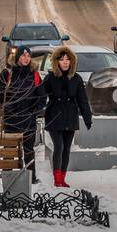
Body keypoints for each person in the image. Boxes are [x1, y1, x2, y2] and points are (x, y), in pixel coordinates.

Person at [0, 45, 45, 183]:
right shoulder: (7, 73)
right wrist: (8, 108)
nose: (26, 58)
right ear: (17, 57)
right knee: (9, 151)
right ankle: (7, 178)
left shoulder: (34, 75)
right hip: (11, 120)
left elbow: (42, 97)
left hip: (28, 120)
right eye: (23, 55)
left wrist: (34, 111)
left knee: (28, 151)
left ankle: (31, 178)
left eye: (28, 56)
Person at [42, 45, 93, 188]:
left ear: (71, 62)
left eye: (67, 59)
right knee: (59, 146)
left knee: (66, 149)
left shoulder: (76, 79)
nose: (65, 62)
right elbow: (40, 95)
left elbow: (83, 100)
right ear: (56, 62)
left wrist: (87, 117)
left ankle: (62, 178)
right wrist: (35, 109)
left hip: (70, 117)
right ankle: (56, 178)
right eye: (62, 59)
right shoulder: (50, 77)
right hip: (54, 116)